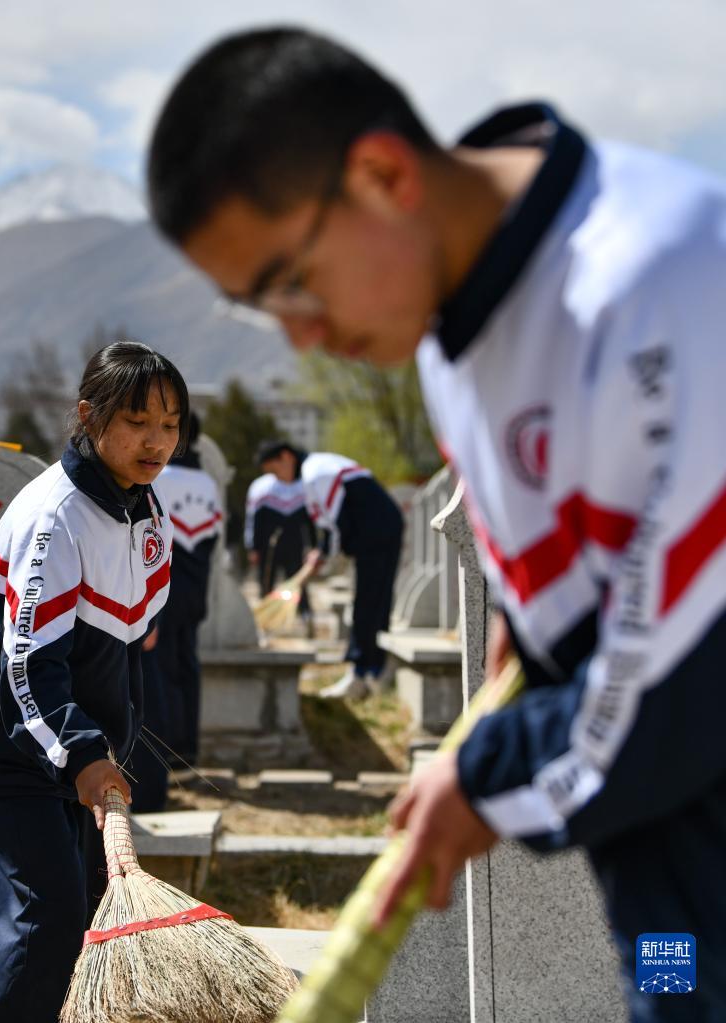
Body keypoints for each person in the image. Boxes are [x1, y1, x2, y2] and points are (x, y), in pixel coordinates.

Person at [147, 27, 726, 1019]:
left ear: (379, 174)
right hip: (665, 873)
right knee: (669, 987)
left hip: (682, 779)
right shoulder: (448, 341)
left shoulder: (656, 281)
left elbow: (678, 680)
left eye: (291, 281)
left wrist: (480, 778)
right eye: (259, 310)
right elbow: (543, 599)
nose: (301, 334)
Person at [0, 340, 188, 1023]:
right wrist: (83, 751)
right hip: (12, 735)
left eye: (170, 424)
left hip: (75, 739)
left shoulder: (141, 506)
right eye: (138, 420)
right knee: (48, 914)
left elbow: (128, 633)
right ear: (90, 415)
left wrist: (108, 739)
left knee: (75, 909)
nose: (157, 439)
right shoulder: (57, 517)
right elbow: (27, 663)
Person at [256, 440, 402, 699]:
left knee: (370, 602)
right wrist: (322, 551)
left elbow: (336, 522)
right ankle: (372, 671)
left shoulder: (317, 472)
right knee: (374, 600)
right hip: (380, 530)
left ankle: (362, 673)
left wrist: (322, 554)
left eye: (275, 470)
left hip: (378, 533)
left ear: (287, 457)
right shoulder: (318, 469)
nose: (277, 478)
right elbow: (334, 521)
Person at [134, 410, 222, 784]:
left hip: (163, 590)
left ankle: (166, 753)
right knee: (188, 664)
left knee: (163, 670)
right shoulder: (207, 483)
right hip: (197, 588)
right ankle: (188, 747)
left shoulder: (158, 479)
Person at [244, 467, 315, 623]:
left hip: (295, 546)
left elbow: (310, 522)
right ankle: (266, 618)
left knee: (298, 583)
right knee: (266, 582)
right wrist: (253, 547)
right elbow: (253, 520)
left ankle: (305, 616)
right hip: (268, 548)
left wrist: (314, 546)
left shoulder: (300, 487)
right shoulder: (261, 487)